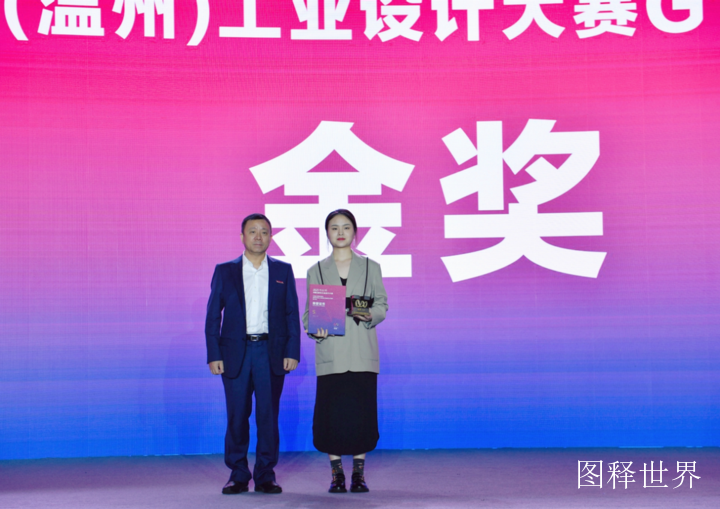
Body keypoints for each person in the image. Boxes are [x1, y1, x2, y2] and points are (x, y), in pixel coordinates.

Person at [205, 213, 300, 495]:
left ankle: (265, 475)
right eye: (253, 231)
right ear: (242, 236)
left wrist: (292, 350)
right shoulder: (225, 271)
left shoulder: (283, 271)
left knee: (268, 417)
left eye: (264, 232)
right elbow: (213, 316)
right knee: (237, 416)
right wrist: (214, 354)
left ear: (271, 237)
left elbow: (292, 314)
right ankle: (238, 474)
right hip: (235, 353)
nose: (259, 237)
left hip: (271, 352)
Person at [303, 209, 388, 494]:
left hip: (362, 351)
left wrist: (371, 315)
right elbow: (308, 314)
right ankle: (337, 474)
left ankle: (359, 475)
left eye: (346, 227)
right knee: (332, 417)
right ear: (327, 233)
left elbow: (382, 304)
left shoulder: (371, 266)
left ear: (355, 232)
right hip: (332, 352)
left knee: (361, 415)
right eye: (334, 227)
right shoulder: (315, 270)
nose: (340, 232)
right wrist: (314, 329)